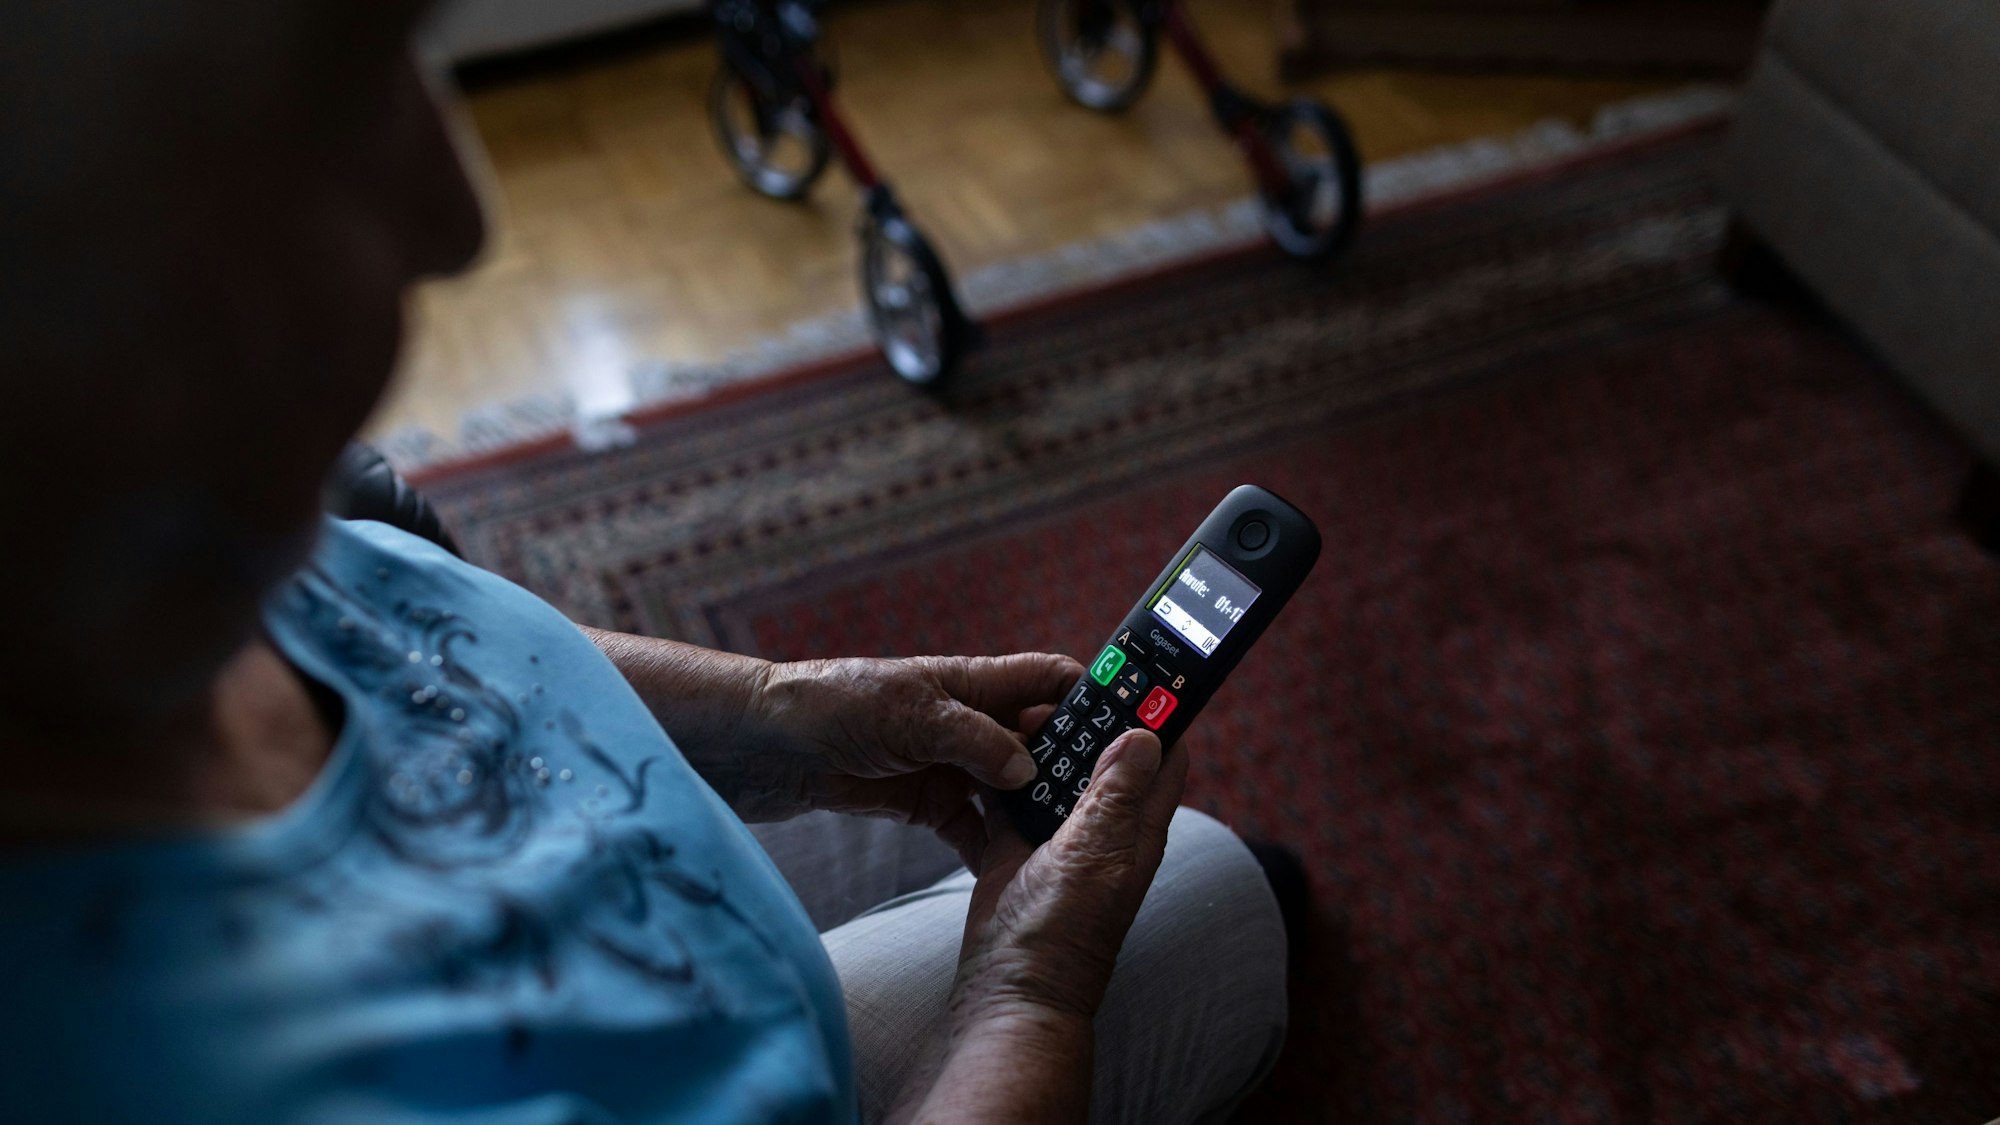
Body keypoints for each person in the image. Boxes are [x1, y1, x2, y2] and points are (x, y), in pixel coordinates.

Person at [0, 2, 1288, 1121]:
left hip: (605, 859)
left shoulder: (149, 557)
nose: (457, 220)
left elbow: (423, 650)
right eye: (321, 118)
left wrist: (779, 714)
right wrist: (1033, 994)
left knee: (1013, 802)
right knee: (1212, 893)